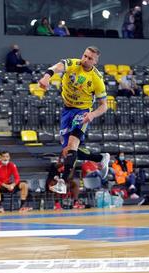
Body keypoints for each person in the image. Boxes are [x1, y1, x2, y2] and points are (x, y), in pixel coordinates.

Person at [38, 46, 110, 194]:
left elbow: (104, 106)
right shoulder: (73, 64)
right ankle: (100, 157)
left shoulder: (97, 79)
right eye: (85, 55)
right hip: (66, 110)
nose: (85, 59)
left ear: (95, 61)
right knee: (67, 151)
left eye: (90, 58)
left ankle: (63, 182)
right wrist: (47, 77)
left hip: (82, 112)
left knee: (72, 144)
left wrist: (92, 115)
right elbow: (57, 67)